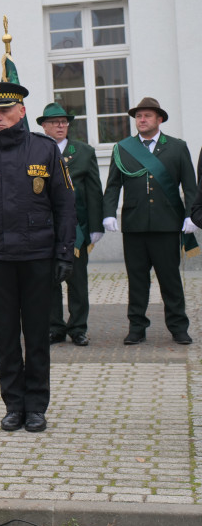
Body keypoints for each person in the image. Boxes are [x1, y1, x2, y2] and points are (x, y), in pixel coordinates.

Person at [0, 80, 75, 433]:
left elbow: (65, 204)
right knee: (5, 335)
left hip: (37, 255)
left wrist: (65, 252)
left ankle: (36, 405)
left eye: (5, 111)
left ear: (21, 111)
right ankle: (13, 404)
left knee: (37, 333)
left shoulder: (45, 150)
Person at [102, 97, 198, 345]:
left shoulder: (177, 147)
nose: (141, 120)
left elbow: (190, 185)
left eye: (147, 116)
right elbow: (112, 185)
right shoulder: (123, 148)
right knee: (137, 281)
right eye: (138, 116)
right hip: (134, 226)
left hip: (167, 225)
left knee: (170, 280)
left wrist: (192, 215)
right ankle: (137, 327)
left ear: (159, 119)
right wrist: (109, 212)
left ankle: (178, 327)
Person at [37, 103, 104, 347]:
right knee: (49, 280)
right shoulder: (36, 151)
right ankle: (55, 327)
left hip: (76, 229)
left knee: (77, 281)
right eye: (55, 122)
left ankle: (78, 328)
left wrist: (97, 225)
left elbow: (94, 191)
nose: (60, 126)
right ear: (44, 126)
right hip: (45, 228)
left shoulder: (84, 152)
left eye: (64, 122)